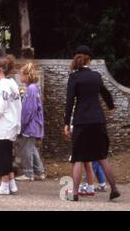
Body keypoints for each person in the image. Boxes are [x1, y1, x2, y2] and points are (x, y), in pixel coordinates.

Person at [64, 45, 120, 201]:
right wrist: (111, 106)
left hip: (81, 120)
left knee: (77, 158)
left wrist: (66, 123)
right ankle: (114, 189)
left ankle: (75, 194)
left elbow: (69, 102)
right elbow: (105, 92)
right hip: (97, 119)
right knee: (102, 156)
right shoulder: (96, 76)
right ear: (89, 60)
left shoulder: (74, 77)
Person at [0, 55, 22, 196]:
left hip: (2, 124)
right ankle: (11, 183)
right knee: (7, 154)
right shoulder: (12, 84)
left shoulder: (2, 85)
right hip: (12, 122)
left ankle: (4, 184)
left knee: (1, 155)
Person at [15, 63, 46, 182]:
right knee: (31, 148)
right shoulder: (34, 88)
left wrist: (22, 125)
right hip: (35, 124)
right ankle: (39, 171)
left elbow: (28, 110)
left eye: (21, 74)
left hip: (30, 125)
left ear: (27, 76)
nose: (19, 77)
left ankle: (28, 173)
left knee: (26, 149)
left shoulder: (30, 89)